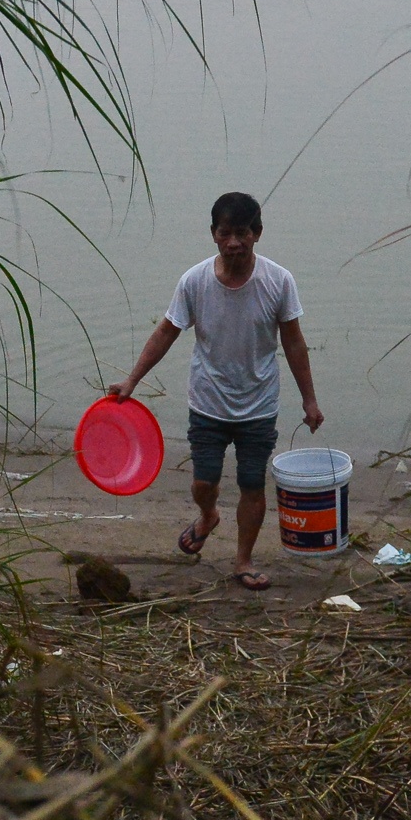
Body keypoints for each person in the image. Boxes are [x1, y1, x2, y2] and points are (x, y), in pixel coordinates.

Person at [107, 192, 323, 591]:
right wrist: (132, 380)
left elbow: (294, 342)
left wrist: (309, 400)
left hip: (258, 404)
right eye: (226, 234)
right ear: (213, 234)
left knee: (252, 484)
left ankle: (243, 561)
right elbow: (166, 331)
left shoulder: (279, 281)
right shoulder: (194, 281)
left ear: (257, 233)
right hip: (208, 402)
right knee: (203, 483)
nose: (234, 243)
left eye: (242, 233)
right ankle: (208, 516)